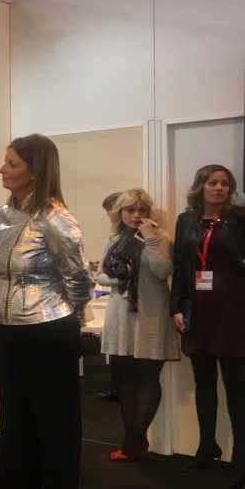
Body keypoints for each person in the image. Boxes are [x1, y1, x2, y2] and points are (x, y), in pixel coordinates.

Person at [0, 134, 93, 489]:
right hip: (6, 331)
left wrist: (65, 323)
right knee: (16, 428)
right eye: (5, 161)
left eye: (12, 163)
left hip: (48, 334)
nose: (3, 169)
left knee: (55, 431)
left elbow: (79, 281)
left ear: (34, 171)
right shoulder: (0, 216)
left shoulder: (56, 219)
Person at [170, 164, 245, 472]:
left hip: (233, 306)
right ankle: (206, 446)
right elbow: (180, 267)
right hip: (198, 306)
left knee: (237, 384)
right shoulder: (185, 220)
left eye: (224, 183)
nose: (219, 188)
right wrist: (176, 307)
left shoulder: (239, 218)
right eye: (212, 182)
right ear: (200, 186)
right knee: (203, 381)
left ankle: (241, 454)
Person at [96, 188, 179, 461]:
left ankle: (131, 443)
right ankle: (134, 439)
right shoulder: (114, 239)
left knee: (147, 377)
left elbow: (162, 271)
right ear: (120, 212)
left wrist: (151, 239)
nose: (136, 215)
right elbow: (101, 276)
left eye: (142, 210)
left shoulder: (160, 236)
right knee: (126, 378)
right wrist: (120, 277)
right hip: (121, 314)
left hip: (151, 315)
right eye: (130, 210)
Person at [94, 192, 122, 402]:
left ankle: (118, 389)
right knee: (117, 353)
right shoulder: (112, 239)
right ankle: (117, 389)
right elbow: (103, 274)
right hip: (118, 302)